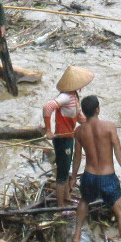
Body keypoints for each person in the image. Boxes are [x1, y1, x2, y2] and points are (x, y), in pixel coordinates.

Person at [69, 96, 121, 242]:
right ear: (98, 109)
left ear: (83, 112)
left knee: (84, 200)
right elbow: (118, 151)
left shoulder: (79, 131)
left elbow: (76, 156)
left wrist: (73, 177)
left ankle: (77, 234)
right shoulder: (109, 127)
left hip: (89, 176)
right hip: (107, 177)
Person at [44, 66, 92, 206]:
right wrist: (49, 130)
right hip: (62, 138)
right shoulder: (64, 97)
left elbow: (78, 115)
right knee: (63, 171)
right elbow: (47, 108)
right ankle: (60, 205)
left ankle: (66, 196)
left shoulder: (74, 96)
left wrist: (90, 124)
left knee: (66, 168)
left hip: (69, 136)